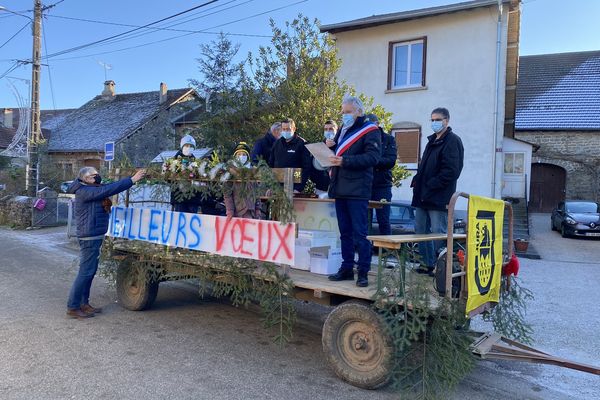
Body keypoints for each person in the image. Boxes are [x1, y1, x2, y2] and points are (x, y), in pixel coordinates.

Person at [66, 166, 146, 319]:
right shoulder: (84, 191)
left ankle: (84, 303)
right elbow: (108, 190)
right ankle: (73, 306)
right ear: (86, 179)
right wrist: (132, 180)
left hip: (94, 234)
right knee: (85, 272)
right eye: (94, 175)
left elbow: (107, 187)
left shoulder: (90, 188)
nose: (98, 177)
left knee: (90, 271)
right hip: (89, 236)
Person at [327, 96, 381, 287]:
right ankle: (347, 267)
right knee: (345, 233)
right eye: (343, 112)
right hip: (340, 187)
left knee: (360, 233)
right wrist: (331, 150)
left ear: (359, 111)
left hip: (358, 189)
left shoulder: (370, 130)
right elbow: (341, 153)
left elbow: (373, 157)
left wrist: (344, 161)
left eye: (348, 112)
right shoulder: (343, 129)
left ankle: (364, 271)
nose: (344, 115)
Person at [411, 107, 464, 276]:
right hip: (422, 195)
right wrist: (417, 179)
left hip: (439, 196)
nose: (434, 123)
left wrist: (431, 184)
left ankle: (440, 268)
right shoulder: (431, 141)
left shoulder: (453, 141)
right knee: (420, 231)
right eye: (432, 120)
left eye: (438, 119)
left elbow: (452, 171)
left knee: (437, 233)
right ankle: (426, 263)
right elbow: (425, 166)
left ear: (446, 121)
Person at [365, 114, 397, 235]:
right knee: (363, 220)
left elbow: (390, 161)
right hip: (365, 184)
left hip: (382, 185)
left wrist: (372, 160)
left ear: (377, 124)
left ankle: (387, 251)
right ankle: (365, 249)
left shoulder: (388, 139)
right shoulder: (363, 139)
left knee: (383, 220)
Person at [268, 118, 312, 192]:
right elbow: (271, 165)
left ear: (294, 129)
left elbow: (306, 168)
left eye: (288, 129)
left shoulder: (302, 144)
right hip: (278, 187)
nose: (285, 131)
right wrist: (270, 186)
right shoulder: (277, 144)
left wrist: (298, 188)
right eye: (283, 129)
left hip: (294, 187)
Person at [224, 142, 261, 219]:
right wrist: (230, 211)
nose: (241, 157)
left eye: (244, 155)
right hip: (237, 211)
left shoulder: (252, 171)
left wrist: (258, 209)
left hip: (251, 211)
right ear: (235, 156)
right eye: (239, 154)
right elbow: (227, 194)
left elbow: (257, 193)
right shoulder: (230, 172)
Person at [170, 135, 201, 214]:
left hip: (193, 198)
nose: (189, 148)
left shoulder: (197, 162)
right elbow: (169, 178)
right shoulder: (174, 161)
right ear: (182, 146)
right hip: (179, 198)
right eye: (186, 146)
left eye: (191, 146)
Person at [309, 120, 336, 197]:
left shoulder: (341, 146)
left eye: (331, 129)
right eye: (326, 129)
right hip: (321, 188)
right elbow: (312, 168)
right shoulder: (319, 147)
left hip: (338, 189)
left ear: (336, 130)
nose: (328, 131)